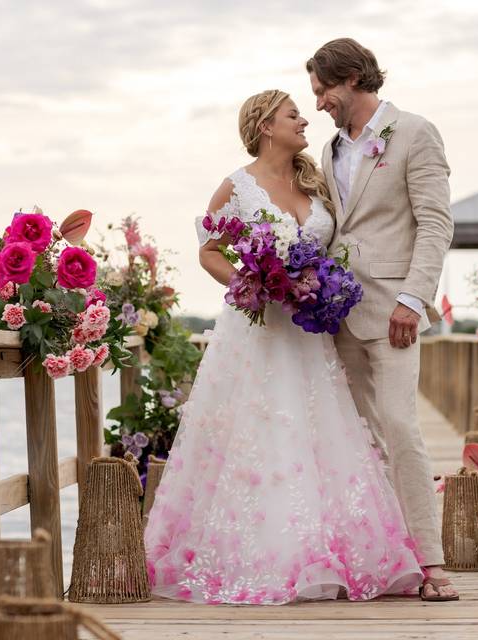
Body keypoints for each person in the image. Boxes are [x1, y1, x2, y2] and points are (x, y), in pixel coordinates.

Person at [143, 89, 424, 605]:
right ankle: (263, 551)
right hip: (257, 330)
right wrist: (250, 283)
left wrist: (317, 286)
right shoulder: (237, 185)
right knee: (258, 430)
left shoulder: (313, 180)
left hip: (310, 333)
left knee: (320, 432)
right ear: (265, 125)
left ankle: (326, 550)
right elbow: (209, 252)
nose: (304, 120)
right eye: (293, 114)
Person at [308, 38, 458, 601]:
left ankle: (431, 561)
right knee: (356, 438)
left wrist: (413, 300)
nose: (319, 101)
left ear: (349, 78)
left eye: (323, 89)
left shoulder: (415, 133)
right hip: (337, 314)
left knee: (399, 426)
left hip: (394, 311)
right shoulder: (329, 151)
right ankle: (375, 558)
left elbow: (436, 224)